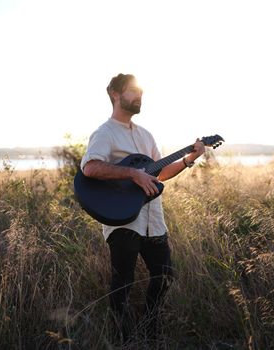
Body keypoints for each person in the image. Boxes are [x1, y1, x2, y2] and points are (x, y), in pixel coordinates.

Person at [80, 73, 205, 343]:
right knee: (122, 283)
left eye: (141, 93)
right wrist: (132, 174)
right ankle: (123, 340)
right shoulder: (105, 133)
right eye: (133, 91)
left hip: (154, 221)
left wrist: (189, 159)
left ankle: (150, 329)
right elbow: (90, 167)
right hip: (122, 222)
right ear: (115, 94)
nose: (139, 96)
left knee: (165, 275)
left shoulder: (146, 135)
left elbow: (159, 172)